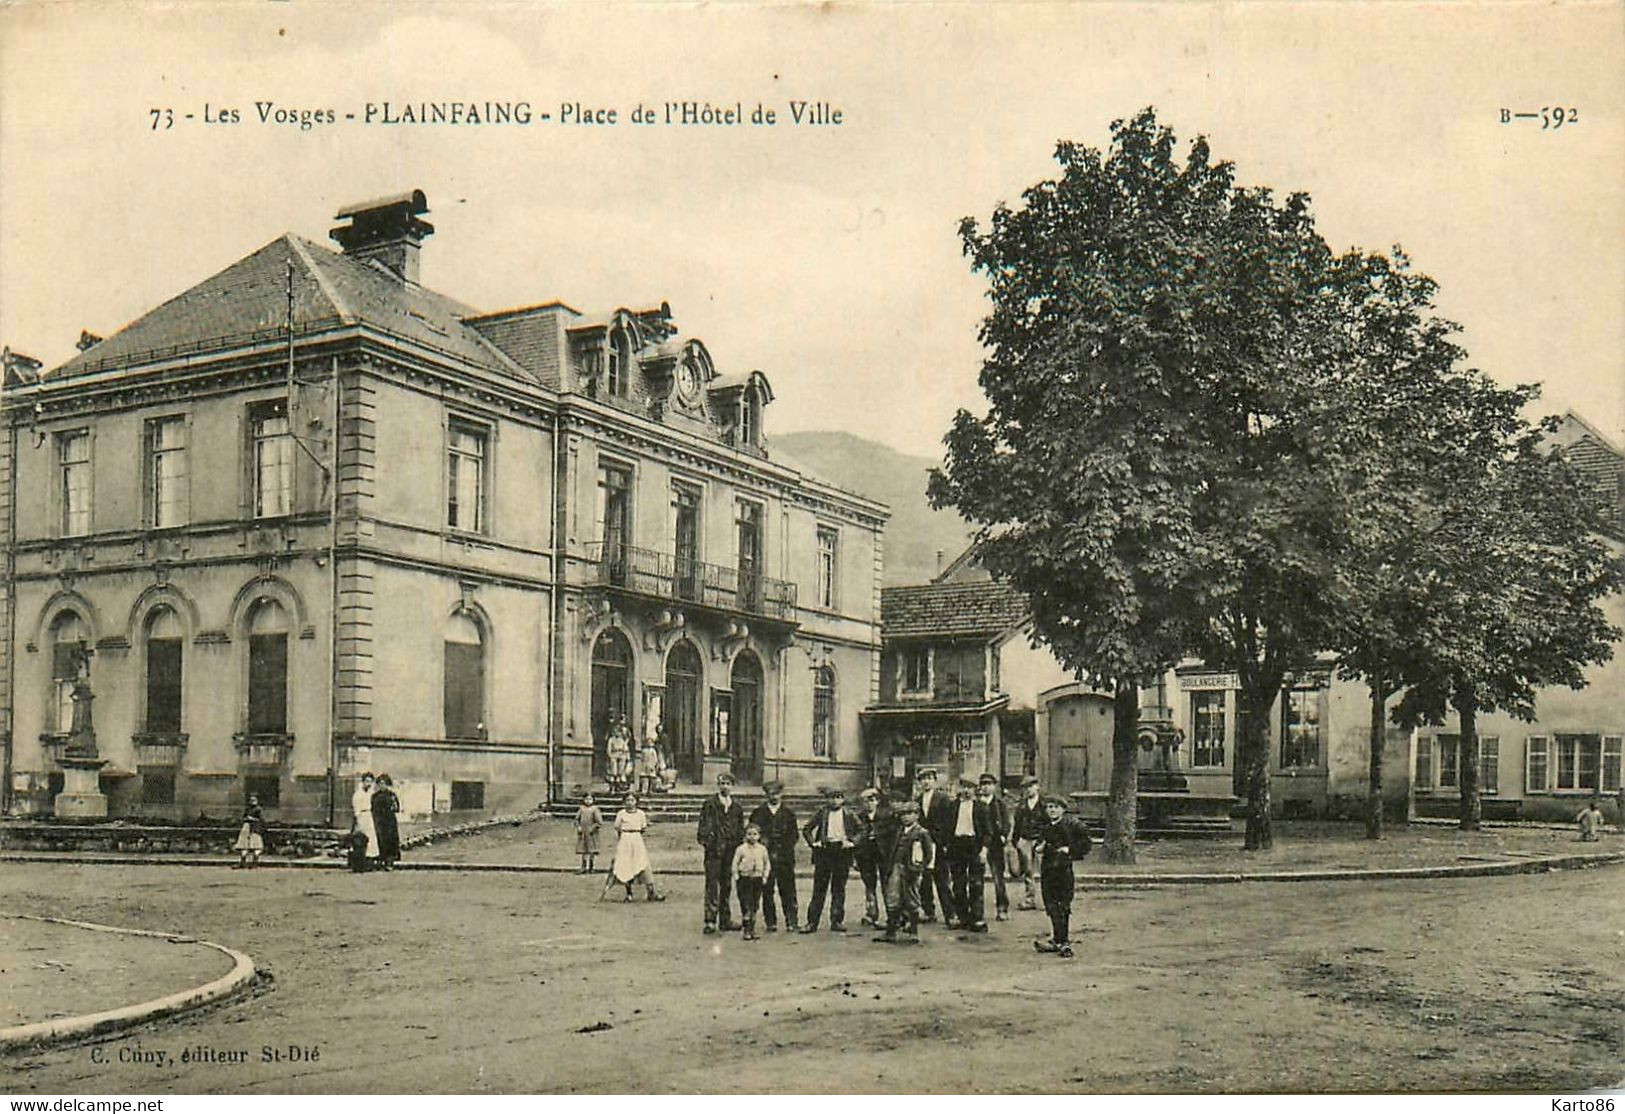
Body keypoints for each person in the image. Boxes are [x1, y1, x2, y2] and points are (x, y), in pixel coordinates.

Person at [1032, 794, 1092, 958]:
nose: (1052, 810)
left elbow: (1086, 843)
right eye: (1049, 807)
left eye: (1055, 807)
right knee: (1051, 905)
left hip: (1063, 870)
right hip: (1048, 870)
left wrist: (1070, 850)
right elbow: (1039, 844)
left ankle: (1063, 941)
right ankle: (1057, 939)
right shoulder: (1046, 827)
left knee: (1062, 905)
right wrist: (1039, 847)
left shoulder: (1072, 824)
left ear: (1063, 809)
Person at [874, 798, 934, 944]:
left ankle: (913, 932)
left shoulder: (921, 833)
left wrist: (919, 869)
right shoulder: (899, 831)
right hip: (896, 867)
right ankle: (891, 932)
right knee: (893, 898)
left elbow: (928, 854)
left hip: (911, 870)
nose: (905, 816)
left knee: (912, 899)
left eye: (909, 813)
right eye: (902, 814)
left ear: (917, 815)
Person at [801, 786, 858, 933]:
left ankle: (837, 921)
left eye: (838, 797)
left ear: (843, 799)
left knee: (838, 888)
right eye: (832, 797)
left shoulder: (849, 814)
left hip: (842, 852)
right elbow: (807, 828)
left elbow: (862, 829)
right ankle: (812, 922)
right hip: (824, 852)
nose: (835, 801)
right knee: (819, 889)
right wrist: (814, 843)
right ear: (827, 799)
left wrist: (852, 842)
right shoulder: (822, 812)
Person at [944, 776, 995, 932]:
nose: (966, 791)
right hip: (957, 846)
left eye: (970, 787)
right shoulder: (952, 806)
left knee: (976, 883)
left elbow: (988, 832)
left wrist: (984, 850)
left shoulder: (981, 807)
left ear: (975, 790)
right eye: (964, 787)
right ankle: (962, 917)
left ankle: (977, 918)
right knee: (958, 884)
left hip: (974, 845)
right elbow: (947, 827)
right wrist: (946, 845)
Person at [748, 780, 801, 932]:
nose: (774, 796)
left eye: (777, 793)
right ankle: (770, 921)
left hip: (785, 857)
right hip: (765, 857)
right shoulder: (758, 813)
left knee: (788, 890)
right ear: (766, 795)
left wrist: (783, 847)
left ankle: (791, 920)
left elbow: (794, 835)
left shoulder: (789, 814)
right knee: (767, 890)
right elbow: (753, 833)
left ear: (782, 794)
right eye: (771, 793)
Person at [697, 772, 745, 933]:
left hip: (730, 851)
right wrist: (707, 842)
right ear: (718, 785)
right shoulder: (710, 804)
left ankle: (725, 919)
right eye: (722, 783)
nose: (725, 786)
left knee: (726, 885)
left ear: (732, 786)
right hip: (714, 850)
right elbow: (703, 825)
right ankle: (710, 920)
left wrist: (738, 847)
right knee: (712, 885)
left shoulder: (737, 807)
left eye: (728, 783)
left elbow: (740, 829)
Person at [603, 790, 665, 902]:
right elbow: (617, 827)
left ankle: (651, 892)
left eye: (632, 800)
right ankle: (629, 893)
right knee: (625, 866)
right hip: (625, 840)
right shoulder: (621, 814)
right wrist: (624, 839)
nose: (630, 803)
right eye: (627, 800)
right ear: (624, 802)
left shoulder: (640, 814)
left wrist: (635, 837)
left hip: (637, 839)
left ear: (636, 802)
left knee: (643, 863)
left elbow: (643, 828)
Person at [915, 767, 955, 923]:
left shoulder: (943, 798)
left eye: (929, 778)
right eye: (923, 779)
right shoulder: (918, 800)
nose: (926, 782)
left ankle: (950, 913)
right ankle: (928, 911)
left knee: (942, 879)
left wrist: (944, 842)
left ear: (934, 780)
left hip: (939, 843)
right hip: (924, 843)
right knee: (925, 879)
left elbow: (948, 822)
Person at [852, 786, 890, 927]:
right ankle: (871, 914)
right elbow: (854, 838)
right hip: (865, 856)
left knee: (887, 885)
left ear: (878, 801)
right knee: (869, 886)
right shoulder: (858, 817)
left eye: (872, 800)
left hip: (883, 855)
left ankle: (892, 915)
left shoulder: (886, 817)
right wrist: (855, 858)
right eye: (866, 801)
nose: (869, 803)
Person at [977, 773, 1013, 921]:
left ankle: (1002, 907)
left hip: (996, 845)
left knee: (998, 878)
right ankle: (977, 911)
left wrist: (1004, 835)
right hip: (979, 844)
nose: (985, 787)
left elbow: (1007, 822)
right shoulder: (976, 803)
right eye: (983, 784)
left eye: (989, 784)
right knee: (977, 879)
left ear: (994, 786)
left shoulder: (999, 804)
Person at [732, 823, 773, 940]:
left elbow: (767, 863)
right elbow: (735, 863)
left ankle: (753, 929)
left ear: (759, 836)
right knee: (746, 904)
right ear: (745, 836)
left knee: (755, 904)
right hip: (744, 879)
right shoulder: (741, 849)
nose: (752, 837)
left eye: (755, 834)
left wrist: (765, 876)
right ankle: (746, 930)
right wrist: (736, 875)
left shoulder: (762, 849)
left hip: (757, 879)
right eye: (749, 834)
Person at [1011, 775, 1044, 911]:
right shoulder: (1022, 805)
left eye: (1031, 786)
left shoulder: (1044, 804)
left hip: (1040, 840)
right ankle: (1030, 898)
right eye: (1026, 787)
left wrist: (1045, 840)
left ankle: (1050, 899)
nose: (1029, 790)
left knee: (1045, 870)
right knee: (1028, 871)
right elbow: (1017, 824)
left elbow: (1049, 823)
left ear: (1037, 787)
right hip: (1025, 839)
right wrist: (1015, 840)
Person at [372, 773, 401, 871]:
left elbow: (397, 808)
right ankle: (381, 860)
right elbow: (372, 808)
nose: (381, 786)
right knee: (380, 840)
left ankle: (389, 862)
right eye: (379, 784)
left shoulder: (391, 795)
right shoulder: (375, 796)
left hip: (389, 821)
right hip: (379, 820)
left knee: (390, 840)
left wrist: (394, 805)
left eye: (383, 783)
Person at [350, 771, 377, 870]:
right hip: (362, 816)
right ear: (363, 782)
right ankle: (360, 861)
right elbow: (356, 808)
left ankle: (370, 861)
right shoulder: (358, 794)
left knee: (371, 839)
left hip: (370, 816)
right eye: (366, 781)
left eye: (370, 781)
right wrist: (357, 819)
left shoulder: (371, 793)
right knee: (361, 838)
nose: (368, 784)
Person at [233, 794, 266, 869]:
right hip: (247, 829)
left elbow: (261, 820)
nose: (253, 802)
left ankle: (255, 863)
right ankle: (242, 862)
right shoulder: (247, 809)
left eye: (254, 800)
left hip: (255, 829)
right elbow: (243, 818)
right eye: (251, 800)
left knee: (256, 847)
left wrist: (252, 819)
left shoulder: (258, 809)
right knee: (244, 846)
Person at [575, 791, 604, 874]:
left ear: (593, 800)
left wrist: (593, 828)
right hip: (583, 833)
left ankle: (591, 866)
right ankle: (583, 866)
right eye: (586, 799)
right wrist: (579, 827)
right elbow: (576, 819)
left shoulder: (595, 809)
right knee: (583, 850)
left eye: (590, 799)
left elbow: (599, 822)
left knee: (591, 850)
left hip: (592, 833)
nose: (588, 801)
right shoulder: (581, 809)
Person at [606, 715, 632, 792]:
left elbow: (625, 749)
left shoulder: (623, 740)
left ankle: (619, 785)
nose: (617, 733)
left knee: (621, 771)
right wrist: (610, 755)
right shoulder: (611, 740)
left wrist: (626, 756)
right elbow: (609, 748)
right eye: (616, 731)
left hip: (621, 755)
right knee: (613, 771)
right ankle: (612, 786)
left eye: (618, 732)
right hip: (614, 754)